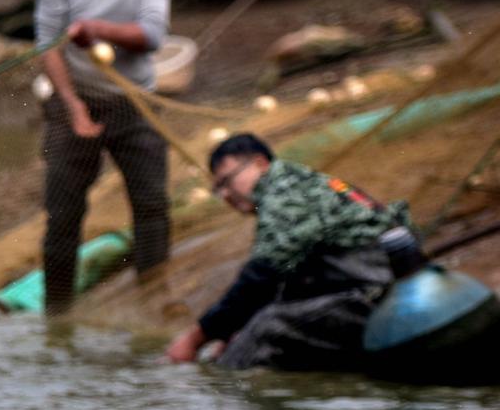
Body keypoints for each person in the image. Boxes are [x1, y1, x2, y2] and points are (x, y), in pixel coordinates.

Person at [34, 0, 173, 314]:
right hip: (74, 101)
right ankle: (56, 315)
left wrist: (95, 28)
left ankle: (154, 302)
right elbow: (47, 45)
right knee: (63, 212)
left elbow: (151, 34)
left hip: (135, 100)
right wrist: (73, 108)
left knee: (152, 205)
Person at [164, 133, 415, 369]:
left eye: (227, 181)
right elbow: (294, 274)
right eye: (219, 189)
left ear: (261, 164)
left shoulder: (281, 192)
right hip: (384, 289)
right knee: (254, 327)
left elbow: (261, 277)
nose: (226, 194)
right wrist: (231, 332)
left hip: (381, 297)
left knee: (266, 327)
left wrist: (194, 339)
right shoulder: (305, 183)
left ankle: (215, 392)